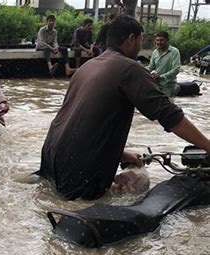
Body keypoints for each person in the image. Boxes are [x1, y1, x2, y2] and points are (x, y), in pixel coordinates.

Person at [39, 15, 210, 201]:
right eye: (141, 39)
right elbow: (170, 115)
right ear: (131, 39)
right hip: (76, 171)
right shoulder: (129, 68)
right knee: (140, 183)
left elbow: (80, 123)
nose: (140, 45)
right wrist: (208, 146)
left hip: (50, 159)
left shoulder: (87, 67)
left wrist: (121, 154)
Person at [146, 31, 181, 97]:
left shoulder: (174, 52)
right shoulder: (155, 52)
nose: (159, 42)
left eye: (161, 40)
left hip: (168, 86)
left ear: (167, 40)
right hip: (155, 84)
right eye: (157, 40)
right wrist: (141, 70)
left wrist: (161, 77)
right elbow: (150, 67)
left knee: (166, 104)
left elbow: (176, 69)